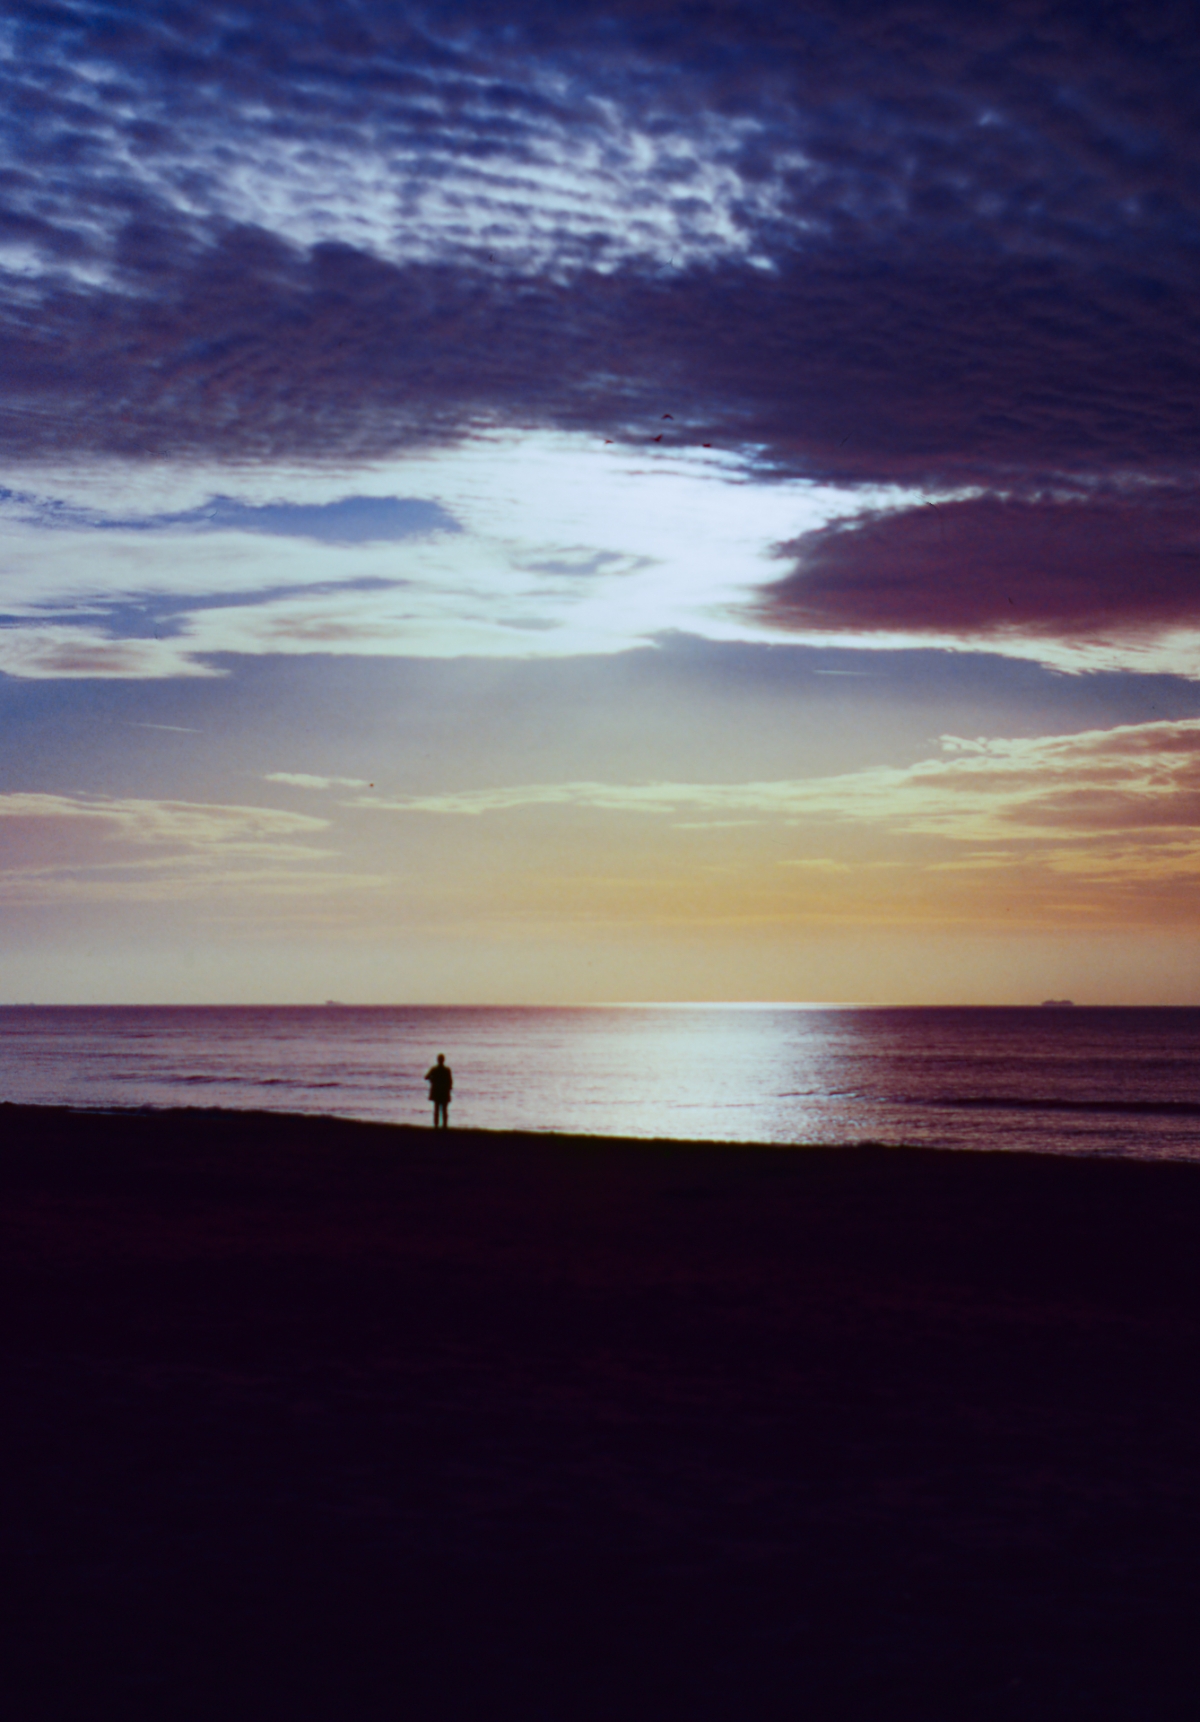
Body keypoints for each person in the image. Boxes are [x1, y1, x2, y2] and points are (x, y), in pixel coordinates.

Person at [425, 1053, 453, 1130]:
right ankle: (444, 1126)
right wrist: (449, 1089)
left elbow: (426, 1077)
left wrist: (432, 1080)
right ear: (443, 1060)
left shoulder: (434, 1069)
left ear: (438, 1060)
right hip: (444, 1092)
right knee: (444, 1110)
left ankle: (436, 1126)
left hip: (437, 1091)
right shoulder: (447, 1070)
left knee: (437, 1110)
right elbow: (450, 1082)